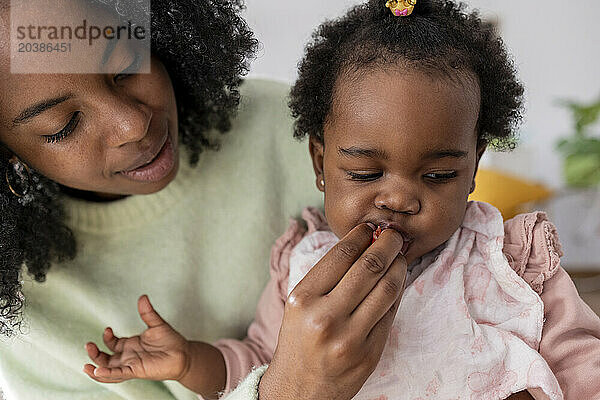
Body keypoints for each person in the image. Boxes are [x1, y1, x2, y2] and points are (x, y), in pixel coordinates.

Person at [82, 0, 600, 399]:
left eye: (439, 174)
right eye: (364, 172)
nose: (398, 197)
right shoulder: (301, 268)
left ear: (473, 169)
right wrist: (190, 360)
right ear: (319, 165)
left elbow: (581, 364)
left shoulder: (510, 259)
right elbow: (265, 363)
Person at [0, 0, 332, 399]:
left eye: (126, 66)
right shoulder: (33, 325)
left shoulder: (291, 125)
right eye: (64, 126)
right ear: (8, 155)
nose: (133, 124)